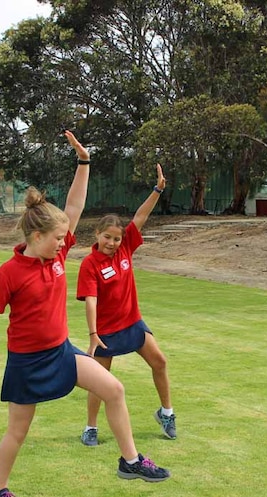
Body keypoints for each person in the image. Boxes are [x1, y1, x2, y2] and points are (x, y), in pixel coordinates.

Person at [0, 131, 170, 497]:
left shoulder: (55, 255)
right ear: (36, 236)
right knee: (18, 431)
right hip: (27, 362)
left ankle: (130, 460)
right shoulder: (10, 273)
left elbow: (74, 203)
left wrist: (84, 162)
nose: (64, 242)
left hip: (61, 352)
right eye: (56, 238)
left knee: (114, 390)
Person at [76, 164, 176, 447]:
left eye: (116, 238)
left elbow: (141, 216)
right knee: (100, 381)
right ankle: (91, 428)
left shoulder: (125, 247)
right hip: (106, 332)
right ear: (97, 234)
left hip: (132, 323)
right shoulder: (89, 264)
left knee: (160, 361)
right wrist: (93, 334)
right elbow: (91, 300)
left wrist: (158, 189)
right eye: (107, 237)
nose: (111, 242)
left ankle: (166, 413)